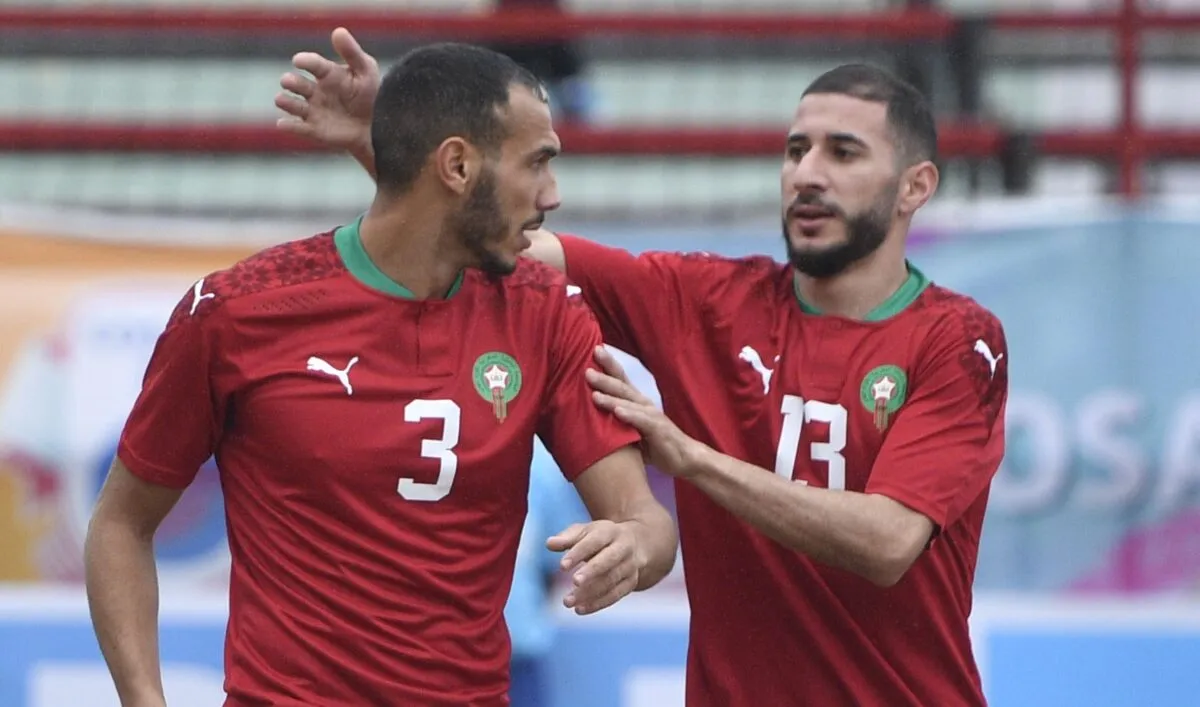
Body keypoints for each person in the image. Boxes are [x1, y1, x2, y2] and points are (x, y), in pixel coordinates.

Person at [277, 32, 1008, 707]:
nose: (806, 175)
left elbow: (887, 544)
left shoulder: (958, 340)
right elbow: (504, 247)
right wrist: (397, 147)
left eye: (843, 153)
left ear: (915, 186)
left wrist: (691, 458)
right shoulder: (709, 300)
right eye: (795, 150)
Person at [85, 42, 678, 707]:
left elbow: (647, 522)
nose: (553, 194)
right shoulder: (237, 312)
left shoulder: (545, 314)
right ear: (456, 164)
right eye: (537, 163)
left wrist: (634, 544)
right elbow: (121, 523)